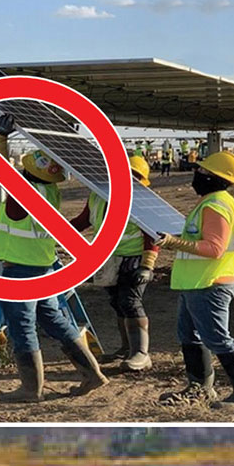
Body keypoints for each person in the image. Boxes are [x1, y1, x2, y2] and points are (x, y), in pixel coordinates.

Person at [0, 149, 107, 402]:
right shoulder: (49, 192)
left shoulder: (24, 197)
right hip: (44, 266)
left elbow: (6, 178)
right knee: (53, 319)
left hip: (21, 269)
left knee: (22, 325)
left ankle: (31, 389)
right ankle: (92, 373)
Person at [157, 151, 234, 407]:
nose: (197, 174)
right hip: (197, 283)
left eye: (202, 171)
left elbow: (214, 248)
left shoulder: (216, 206)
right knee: (189, 335)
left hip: (211, 284)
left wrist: (172, 242)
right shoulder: (213, 202)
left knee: (217, 338)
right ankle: (199, 388)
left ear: (214, 178)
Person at [82, 154, 159, 372]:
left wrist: (147, 265)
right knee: (118, 302)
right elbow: (84, 220)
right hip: (109, 258)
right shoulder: (98, 196)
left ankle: (141, 354)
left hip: (132, 259)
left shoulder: (139, 201)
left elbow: (151, 234)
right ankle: (127, 348)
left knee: (130, 301)